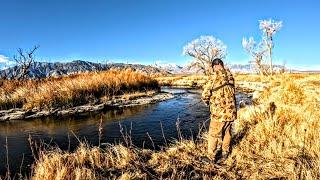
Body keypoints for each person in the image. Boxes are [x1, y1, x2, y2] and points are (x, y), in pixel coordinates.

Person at [202, 58, 237, 162]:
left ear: (214, 66)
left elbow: (205, 94)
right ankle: (225, 153)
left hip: (219, 113)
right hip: (231, 111)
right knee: (227, 132)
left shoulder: (213, 76)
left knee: (213, 134)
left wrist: (207, 101)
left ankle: (210, 157)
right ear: (222, 65)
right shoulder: (230, 76)